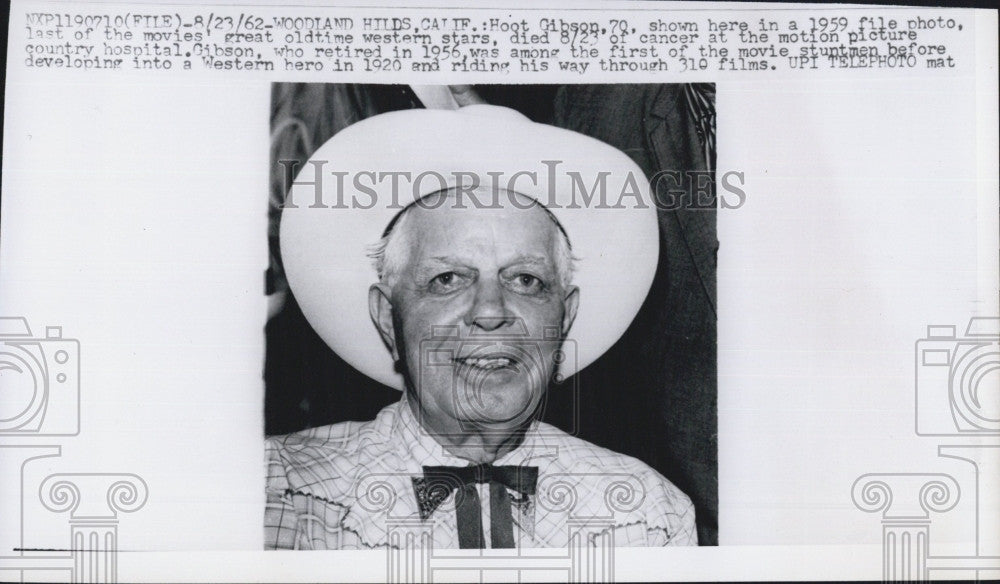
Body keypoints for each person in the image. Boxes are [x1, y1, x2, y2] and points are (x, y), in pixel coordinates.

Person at [265, 104, 697, 549]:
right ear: (386, 319)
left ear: (564, 317)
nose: (491, 311)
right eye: (447, 279)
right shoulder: (278, 493)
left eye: (526, 280)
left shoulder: (649, 517)